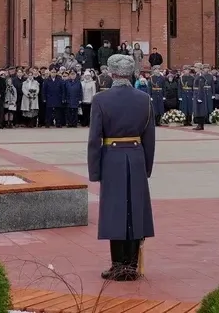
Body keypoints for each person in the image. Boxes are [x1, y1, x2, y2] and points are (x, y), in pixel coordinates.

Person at [87, 54, 155, 282]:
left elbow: (94, 138)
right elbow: (150, 137)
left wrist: (94, 171)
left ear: (111, 73)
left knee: (115, 211)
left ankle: (118, 266)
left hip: (112, 158)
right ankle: (132, 265)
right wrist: (147, 166)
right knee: (135, 210)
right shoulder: (144, 99)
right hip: (136, 157)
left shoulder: (101, 100)